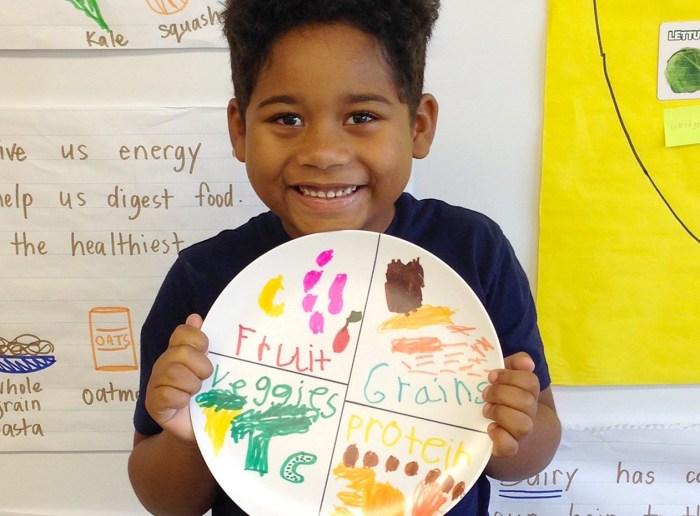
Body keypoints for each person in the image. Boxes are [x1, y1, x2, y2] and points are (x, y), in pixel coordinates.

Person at [127, 0, 562, 514]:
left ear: (419, 126)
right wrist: (186, 435)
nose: (324, 151)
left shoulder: (472, 249)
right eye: (287, 118)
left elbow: (529, 450)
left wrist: (519, 425)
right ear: (240, 129)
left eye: (361, 116)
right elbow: (166, 503)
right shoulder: (203, 277)